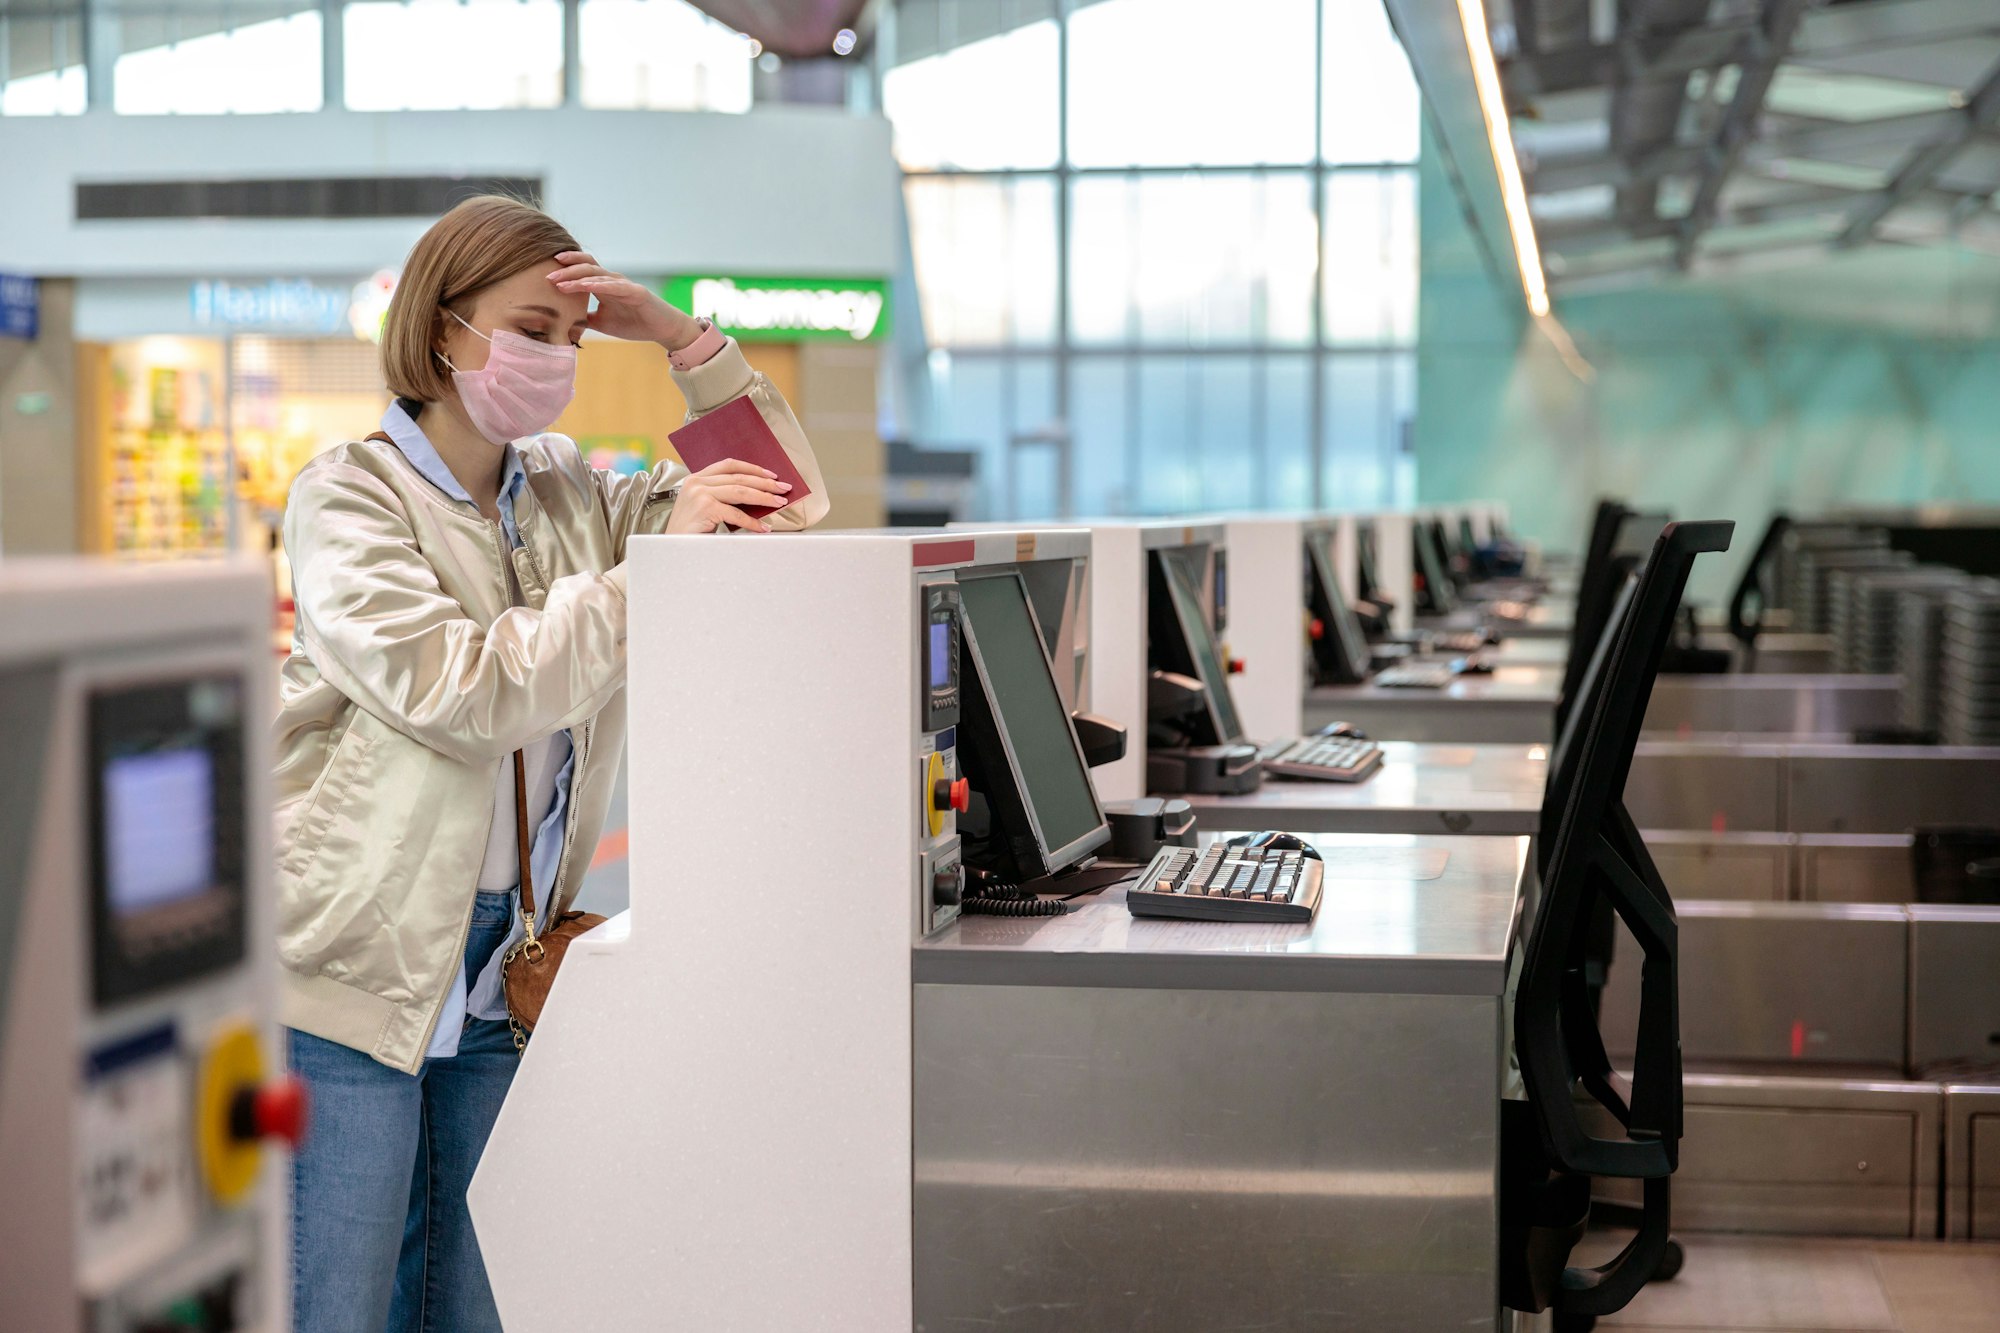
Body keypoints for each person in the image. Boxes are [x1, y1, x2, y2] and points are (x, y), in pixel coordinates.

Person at [272, 195, 827, 1333]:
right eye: (532, 327)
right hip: (350, 970)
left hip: (501, 971)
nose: (558, 358)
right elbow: (460, 691)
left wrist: (683, 339)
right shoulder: (348, 497)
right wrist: (643, 582)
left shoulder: (569, 490)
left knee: (468, 1309)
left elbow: (788, 507)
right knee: (334, 1305)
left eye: (573, 336)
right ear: (442, 329)